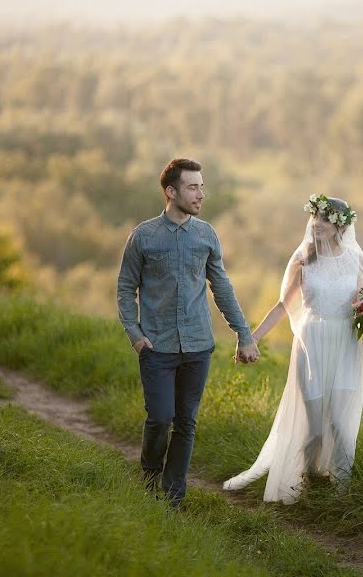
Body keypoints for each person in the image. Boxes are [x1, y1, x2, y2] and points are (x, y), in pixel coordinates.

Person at [116, 157, 260, 509]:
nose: (201, 194)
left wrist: (244, 334)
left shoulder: (206, 234)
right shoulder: (144, 236)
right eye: (193, 187)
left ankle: (173, 498)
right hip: (157, 346)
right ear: (171, 191)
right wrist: (135, 335)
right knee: (160, 418)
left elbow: (221, 286)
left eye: (201, 186)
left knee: (186, 423)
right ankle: (149, 479)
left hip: (197, 345)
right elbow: (125, 288)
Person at [222, 195, 363, 504]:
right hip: (311, 344)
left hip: (345, 344)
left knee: (339, 423)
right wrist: (250, 338)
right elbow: (284, 306)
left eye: (324, 219)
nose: (317, 223)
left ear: (340, 225)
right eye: (315, 218)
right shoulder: (304, 261)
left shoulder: (355, 260)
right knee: (315, 430)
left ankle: (340, 496)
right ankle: (305, 487)